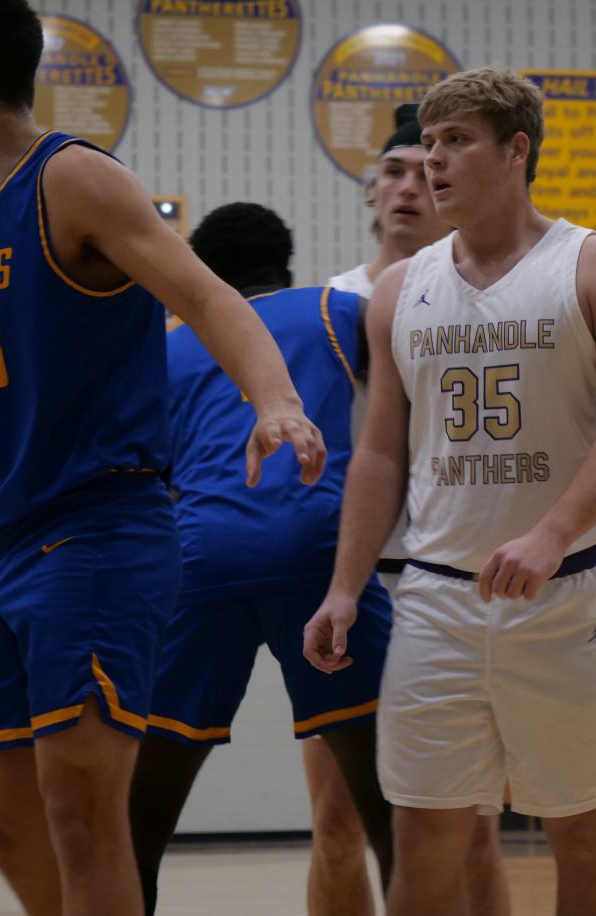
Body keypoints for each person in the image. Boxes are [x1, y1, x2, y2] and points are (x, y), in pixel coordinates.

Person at [0, 0, 323, 916]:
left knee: (82, 815)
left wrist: (275, 399)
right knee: (7, 825)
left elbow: (206, 297)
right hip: (3, 546)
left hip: (98, 531)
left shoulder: (72, 178)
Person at [304, 68, 596, 916]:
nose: (433, 162)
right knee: (426, 829)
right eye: (427, 144)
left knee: (580, 828)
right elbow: (382, 455)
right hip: (435, 597)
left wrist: (552, 532)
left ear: (516, 151)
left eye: (455, 141)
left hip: (565, 590)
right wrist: (346, 585)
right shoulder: (398, 291)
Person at [129, 202, 394, 916]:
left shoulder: (164, 344)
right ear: (287, 261)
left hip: (198, 558)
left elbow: (144, 471)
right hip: (321, 550)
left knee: (138, 824)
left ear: (204, 272)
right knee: (390, 813)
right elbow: (408, 411)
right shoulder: (339, 309)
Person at [325, 102, 510, 916]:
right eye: (391, 170)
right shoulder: (326, 304)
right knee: (334, 820)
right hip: (358, 576)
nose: (407, 184)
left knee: (471, 826)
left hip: (456, 573)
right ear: (371, 191)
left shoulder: (502, 285)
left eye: (422, 167)